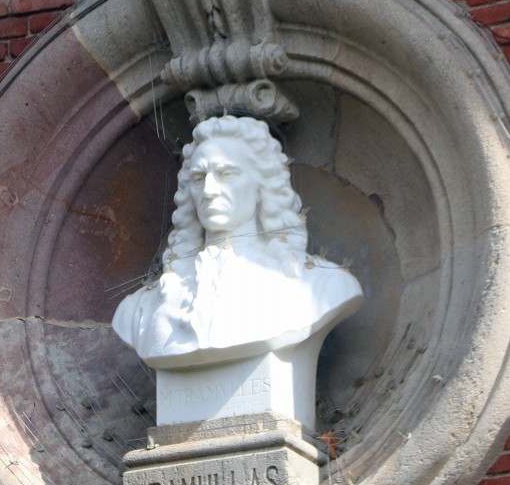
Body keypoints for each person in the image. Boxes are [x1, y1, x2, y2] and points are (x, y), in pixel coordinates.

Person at [112, 115, 363, 369]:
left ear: (261, 185)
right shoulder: (140, 309)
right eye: (199, 178)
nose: (210, 190)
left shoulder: (322, 288)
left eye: (226, 173)